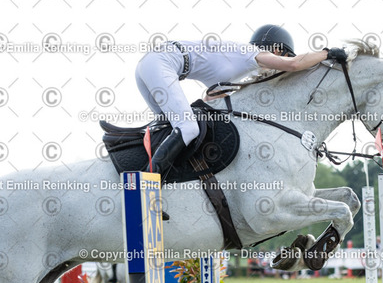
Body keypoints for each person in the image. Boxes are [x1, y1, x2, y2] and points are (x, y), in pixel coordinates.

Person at [135, 24, 347, 174]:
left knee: (169, 129)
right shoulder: (252, 53)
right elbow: (294, 64)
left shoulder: (234, 69)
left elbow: (211, 100)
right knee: (188, 128)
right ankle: (146, 186)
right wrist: (327, 53)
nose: (281, 68)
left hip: (152, 64)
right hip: (162, 62)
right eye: (284, 56)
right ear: (276, 50)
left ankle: (149, 178)